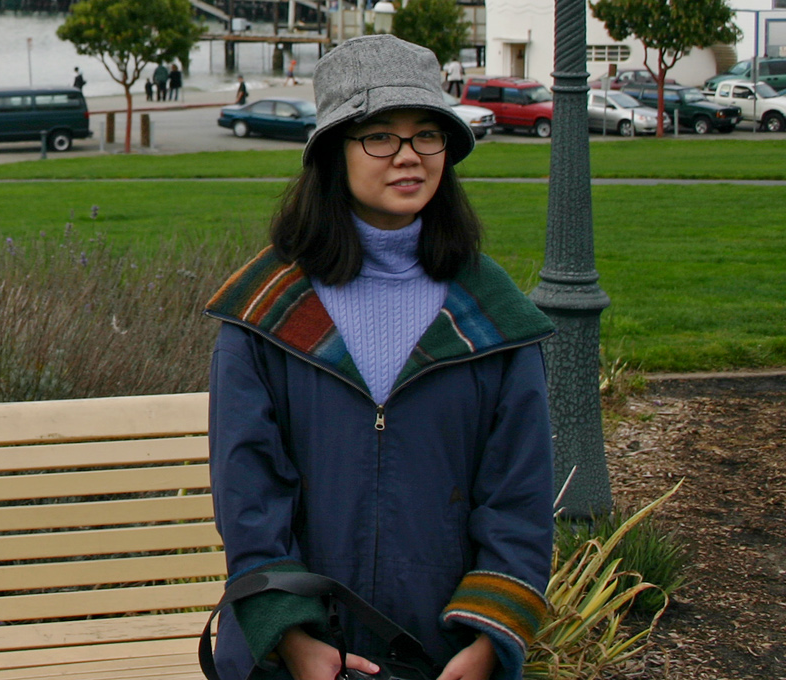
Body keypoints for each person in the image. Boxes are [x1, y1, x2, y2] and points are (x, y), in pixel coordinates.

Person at [202, 34, 554, 680]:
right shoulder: (263, 313)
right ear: (335, 150)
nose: (408, 157)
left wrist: (483, 646)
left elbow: (519, 499)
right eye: (380, 136)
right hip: (289, 661)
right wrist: (296, 643)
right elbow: (249, 498)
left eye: (427, 135)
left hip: (442, 655)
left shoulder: (493, 317)